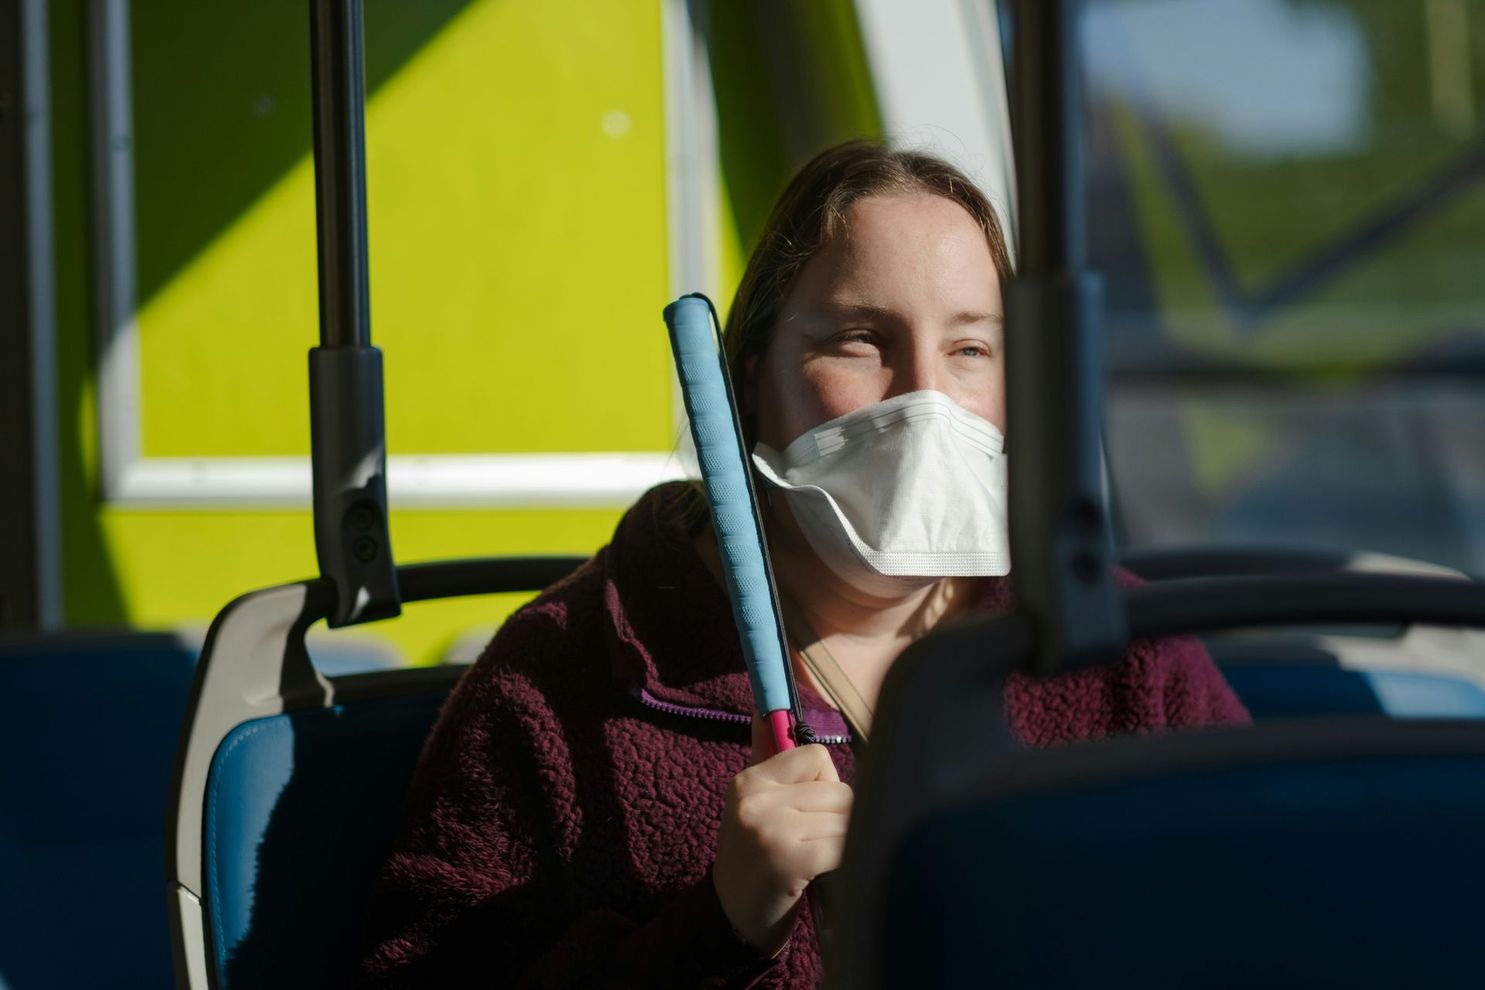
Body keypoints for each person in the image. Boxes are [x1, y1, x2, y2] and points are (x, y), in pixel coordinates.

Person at [359, 140, 1249, 988]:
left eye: (969, 349)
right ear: (751, 378)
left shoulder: (1117, 648)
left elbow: (1267, 905)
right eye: (863, 340)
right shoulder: (564, 675)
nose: (926, 399)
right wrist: (718, 926)